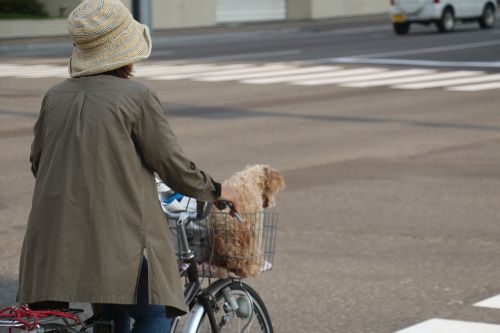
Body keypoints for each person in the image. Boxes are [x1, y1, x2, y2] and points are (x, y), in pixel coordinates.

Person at [16, 0, 240, 332]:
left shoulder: (55, 96)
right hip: (119, 239)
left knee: (107, 312)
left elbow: (39, 162)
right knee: (155, 312)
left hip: (52, 240)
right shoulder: (137, 97)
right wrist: (218, 189)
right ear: (126, 50)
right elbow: (171, 165)